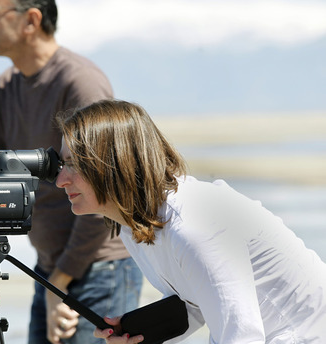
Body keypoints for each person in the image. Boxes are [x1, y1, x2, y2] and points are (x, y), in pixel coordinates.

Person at [0, 1, 143, 343]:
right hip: (51, 270)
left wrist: (61, 282)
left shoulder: (79, 82)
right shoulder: (7, 87)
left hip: (99, 268)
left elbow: (104, 192)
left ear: (31, 20)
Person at [55, 99, 326, 343]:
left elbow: (242, 337)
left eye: (74, 164)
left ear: (114, 164)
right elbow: (194, 302)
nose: (60, 181)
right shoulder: (135, 223)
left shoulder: (195, 229)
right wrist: (140, 333)